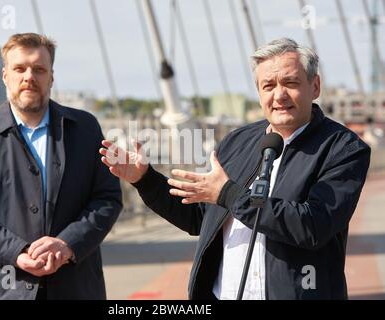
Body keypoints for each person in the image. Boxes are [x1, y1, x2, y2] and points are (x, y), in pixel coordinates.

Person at [100, 38, 371, 300]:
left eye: (290, 82)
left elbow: (312, 225)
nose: (279, 94)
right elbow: (200, 218)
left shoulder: (343, 149)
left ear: (315, 86)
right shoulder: (236, 142)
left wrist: (230, 194)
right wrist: (145, 180)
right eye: (268, 85)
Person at [0, 33, 122, 300]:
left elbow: (107, 198)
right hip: (0, 290)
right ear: (5, 76)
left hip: (74, 289)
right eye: (19, 68)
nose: (29, 76)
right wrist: (17, 252)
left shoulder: (85, 128)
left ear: (51, 77)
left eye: (39, 69)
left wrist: (67, 244)